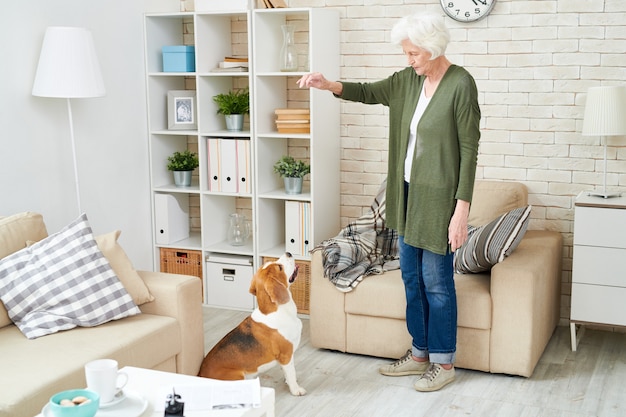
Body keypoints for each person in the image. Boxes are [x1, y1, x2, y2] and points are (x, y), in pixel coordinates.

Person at [297, 12, 480, 392]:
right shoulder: (406, 81)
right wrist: (327, 83)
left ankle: (444, 365)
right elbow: (368, 91)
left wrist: (461, 209)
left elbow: (469, 149)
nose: (408, 60)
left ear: (432, 49)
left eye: (413, 53)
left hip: (439, 199)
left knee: (437, 282)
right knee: (411, 279)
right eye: (407, 53)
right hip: (406, 194)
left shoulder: (461, 84)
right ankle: (419, 354)